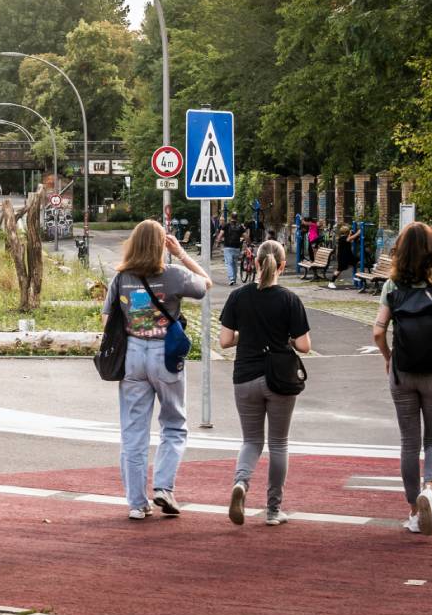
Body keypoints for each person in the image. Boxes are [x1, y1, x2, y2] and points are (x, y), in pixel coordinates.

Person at [101, 220, 212, 520]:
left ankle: (137, 504)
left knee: (133, 431)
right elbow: (205, 284)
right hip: (166, 354)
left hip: (133, 357)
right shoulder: (173, 275)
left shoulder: (121, 278)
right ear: (162, 245)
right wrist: (182, 254)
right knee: (174, 423)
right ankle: (163, 487)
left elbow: (106, 319)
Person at [372, 222, 432, 536]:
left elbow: (377, 332)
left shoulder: (392, 286)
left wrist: (389, 359)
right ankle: (430, 488)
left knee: (408, 443)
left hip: (403, 373)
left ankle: (414, 510)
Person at [218, 240, 311, 527]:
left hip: (245, 376)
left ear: (255, 263)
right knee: (278, 444)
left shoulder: (237, 297)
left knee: (251, 441)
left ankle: (241, 485)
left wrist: (244, 336)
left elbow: (224, 341)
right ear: (282, 265)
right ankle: (273, 510)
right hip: (279, 378)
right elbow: (304, 346)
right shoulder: (289, 299)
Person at [216, 212, 247, 285]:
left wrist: (218, 242)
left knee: (229, 263)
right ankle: (235, 279)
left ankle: (231, 279)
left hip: (228, 247)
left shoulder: (226, 225)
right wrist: (249, 243)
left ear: (231, 217)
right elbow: (246, 236)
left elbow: (220, 235)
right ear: (237, 217)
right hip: (237, 247)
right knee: (235, 264)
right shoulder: (240, 226)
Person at [328, 224, 362, 289]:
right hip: (343, 257)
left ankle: (359, 278)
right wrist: (358, 233)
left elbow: (350, 239)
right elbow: (349, 239)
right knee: (339, 270)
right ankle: (331, 282)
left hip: (348, 256)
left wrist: (353, 234)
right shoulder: (342, 238)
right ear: (346, 232)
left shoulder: (345, 237)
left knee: (357, 260)